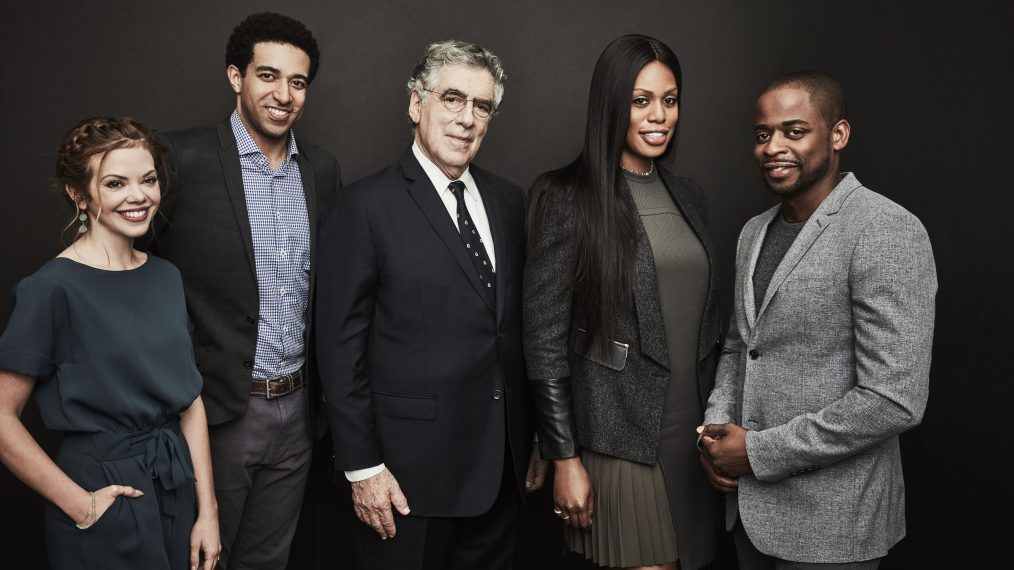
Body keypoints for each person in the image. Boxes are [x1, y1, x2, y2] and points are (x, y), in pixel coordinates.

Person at [316, 39, 543, 570]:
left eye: (481, 106)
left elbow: (512, 333)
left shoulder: (510, 201)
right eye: (452, 99)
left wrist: (533, 435)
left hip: (499, 473)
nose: (467, 119)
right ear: (416, 104)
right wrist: (362, 467)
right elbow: (338, 346)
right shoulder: (364, 206)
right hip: (403, 481)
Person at [697, 71, 937, 569]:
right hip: (747, 515)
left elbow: (894, 400)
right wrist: (715, 432)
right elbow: (742, 344)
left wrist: (759, 452)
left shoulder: (884, 228)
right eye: (763, 134)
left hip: (833, 524)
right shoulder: (753, 233)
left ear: (838, 134)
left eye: (794, 131)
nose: (773, 147)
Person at [150, 12, 341, 569]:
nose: (283, 95)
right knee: (203, 558)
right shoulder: (178, 159)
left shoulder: (322, 170)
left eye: (298, 82)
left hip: (299, 412)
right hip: (216, 412)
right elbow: (137, 270)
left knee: (267, 560)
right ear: (236, 76)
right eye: (268, 76)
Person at [524, 34, 722, 570]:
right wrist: (563, 454)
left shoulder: (690, 195)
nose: (659, 115)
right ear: (611, 104)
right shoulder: (566, 196)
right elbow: (543, 338)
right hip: (619, 437)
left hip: (696, 439)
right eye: (641, 101)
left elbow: (709, 325)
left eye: (670, 99)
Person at [0, 117, 220, 569]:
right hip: (103, 493)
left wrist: (208, 512)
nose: (139, 196)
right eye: (116, 183)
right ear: (79, 195)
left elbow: (189, 401)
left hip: (174, 482)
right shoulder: (52, 288)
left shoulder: (165, 276)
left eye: (149, 179)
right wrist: (82, 506)